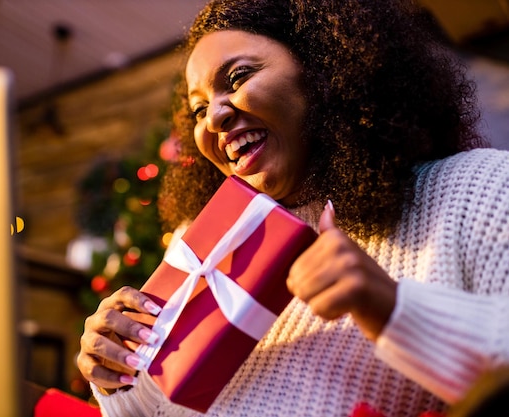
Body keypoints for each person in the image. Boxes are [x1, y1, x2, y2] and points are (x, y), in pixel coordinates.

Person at [76, 0, 509, 415]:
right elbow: (158, 407)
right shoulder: (203, 241)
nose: (212, 119)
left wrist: (392, 306)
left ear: (326, 66)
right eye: (199, 109)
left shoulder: (474, 188)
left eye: (239, 76)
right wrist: (119, 375)